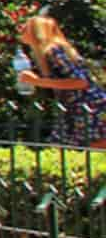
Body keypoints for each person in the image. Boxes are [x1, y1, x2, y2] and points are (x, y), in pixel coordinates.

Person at [17, 15, 106, 148]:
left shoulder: (53, 50)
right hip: (74, 108)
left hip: (88, 106)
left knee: (87, 149)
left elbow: (81, 82)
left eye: (27, 27)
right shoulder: (46, 52)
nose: (21, 29)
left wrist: (37, 81)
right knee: (66, 150)